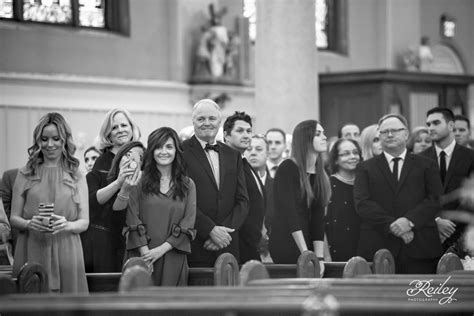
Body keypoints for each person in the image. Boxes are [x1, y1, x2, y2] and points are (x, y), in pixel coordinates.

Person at [354, 113, 443, 274]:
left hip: (420, 247)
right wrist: (392, 226)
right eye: (384, 131)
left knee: (419, 297)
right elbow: (362, 203)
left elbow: (435, 199)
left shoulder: (426, 165)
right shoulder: (365, 168)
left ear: (406, 134)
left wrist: (409, 222)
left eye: (395, 130)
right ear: (379, 136)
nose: (389, 134)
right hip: (378, 245)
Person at [10, 112, 89, 292]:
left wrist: (67, 224)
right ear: (38, 141)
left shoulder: (77, 175)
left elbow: (84, 222)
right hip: (32, 247)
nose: (50, 144)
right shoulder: (24, 174)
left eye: (56, 139)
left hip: (67, 248)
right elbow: (14, 218)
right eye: (44, 139)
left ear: (64, 141)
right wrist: (30, 223)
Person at [124, 127, 196, 286]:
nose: (164, 151)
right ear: (151, 151)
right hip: (141, 255)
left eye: (169, 147)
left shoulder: (188, 185)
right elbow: (132, 218)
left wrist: (160, 250)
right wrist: (146, 255)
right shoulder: (138, 181)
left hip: (172, 256)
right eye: (158, 147)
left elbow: (188, 222)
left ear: (176, 150)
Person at [182, 99, 248, 266]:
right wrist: (210, 230)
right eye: (201, 119)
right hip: (196, 242)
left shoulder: (233, 155)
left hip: (228, 243)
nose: (207, 123)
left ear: (219, 122)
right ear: (193, 121)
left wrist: (223, 233)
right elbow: (181, 199)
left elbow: (243, 201)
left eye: (212, 119)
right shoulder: (181, 152)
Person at [82, 108, 141, 273]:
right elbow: (93, 201)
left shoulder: (141, 157)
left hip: (135, 234)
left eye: (124, 125)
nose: (120, 130)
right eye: (114, 127)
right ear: (108, 134)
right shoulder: (102, 161)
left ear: (131, 128)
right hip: (106, 238)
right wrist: (118, 182)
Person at [269, 120, 330, 274]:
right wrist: (305, 253)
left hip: (307, 241)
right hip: (287, 242)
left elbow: (318, 219)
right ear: (306, 139)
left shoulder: (319, 173)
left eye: (323, 133)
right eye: (318, 134)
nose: (324, 137)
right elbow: (290, 215)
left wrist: (319, 257)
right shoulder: (287, 168)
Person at [420, 107, 474, 251]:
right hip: (429, 234)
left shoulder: (470, 157)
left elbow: (470, 195)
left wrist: (450, 226)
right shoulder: (419, 159)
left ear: (450, 125)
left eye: (436, 123)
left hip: (463, 236)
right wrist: (436, 221)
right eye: (428, 124)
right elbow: (417, 195)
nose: (431, 128)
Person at [223, 111, 265, 263]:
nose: (246, 135)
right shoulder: (226, 164)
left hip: (252, 244)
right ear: (226, 136)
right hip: (235, 244)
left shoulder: (245, 163)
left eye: (249, 131)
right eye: (240, 131)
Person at [325, 138, 362, 261]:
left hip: (364, 250)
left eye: (355, 152)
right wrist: (325, 256)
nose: (352, 156)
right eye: (346, 154)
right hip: (336, 252)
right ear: (335, 159)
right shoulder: (328, 185)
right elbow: (320, 224)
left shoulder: (366, 183)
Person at [244, 134, 274, 261]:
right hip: (246, 248)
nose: (253, 153)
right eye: (249, 149)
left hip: (274, 251)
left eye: (259, 149)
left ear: (267, 153)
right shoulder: (236, 184)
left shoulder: (278, 185)